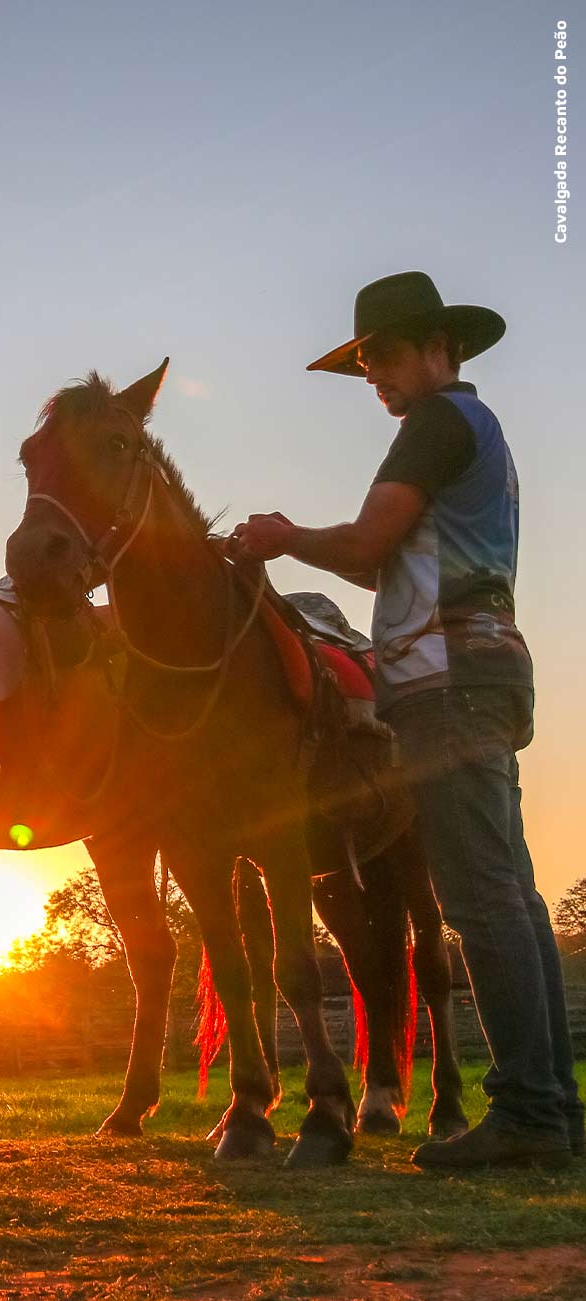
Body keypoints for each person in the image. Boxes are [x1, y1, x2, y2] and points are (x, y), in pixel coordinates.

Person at [232, 270, 583, 1170]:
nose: (375, 377)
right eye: (363, 364)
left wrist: (279, 535)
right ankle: (552, 1106)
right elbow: (375, 566)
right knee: (511, 891)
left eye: (383, 355)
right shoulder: (476, 433)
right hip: (487, 667)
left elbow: (360, 546)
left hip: (444, 680)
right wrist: (316, 547)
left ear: (439, 348)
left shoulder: (434, 424)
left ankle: (530, 1115)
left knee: (476, 898)